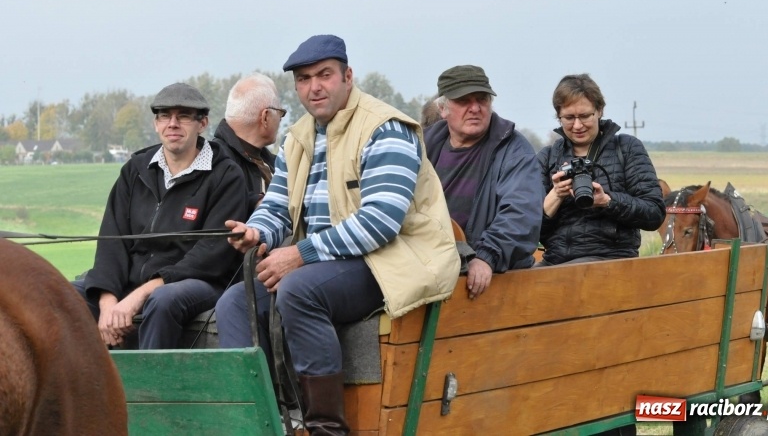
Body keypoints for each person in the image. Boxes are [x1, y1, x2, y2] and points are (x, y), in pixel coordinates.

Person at [216, 34, 460, 435]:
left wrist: (298, 255)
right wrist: (256, 231)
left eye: (324, 75)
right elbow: (278, 206)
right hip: (326, 260)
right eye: (305, 78)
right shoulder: (298, 137)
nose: (314, 86)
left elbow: (381, 222)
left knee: (299, 290)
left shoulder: (385, 129)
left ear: (348, 76)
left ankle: (325, 428)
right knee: (235, 303)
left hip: (391, 259)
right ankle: (258, 423)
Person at [72, 82, 248, 349]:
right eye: (164, 115)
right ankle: (82, 389)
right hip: (134, 280)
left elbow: (211, 255)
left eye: (184, 116)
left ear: (202, 124)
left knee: (163, 300)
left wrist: (141, 294)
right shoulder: (135, 171)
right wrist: (108, 304)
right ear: (156, 124)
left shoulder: (226, 175)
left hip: (198, 282)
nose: (173, 124)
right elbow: (112, 241)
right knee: (68, 295)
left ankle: (152, 389)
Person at [424, 65, 543, 300]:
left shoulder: (514, 151)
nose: (475, 108)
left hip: (490, 276)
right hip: (431, 264)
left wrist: (487, 256)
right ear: (442, 108)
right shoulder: (423, 146)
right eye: (463, 101)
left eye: (482, 99)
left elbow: (520, 213)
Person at [534, 74, 666, 266]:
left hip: (613, 261)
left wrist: (608, 201)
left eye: (585, 116)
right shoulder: (548, 158)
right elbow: (528, 228)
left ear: (600, 110)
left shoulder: (626, 148)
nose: (578, 125)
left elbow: (654, 213)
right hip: (556, 262)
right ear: (558, 116)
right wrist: (556, 195)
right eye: (569, 118)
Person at [213, 73, 284, 213]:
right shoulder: (215, 163)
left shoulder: (277, 163)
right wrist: (254, 202)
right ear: (265, 117)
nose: (281, 120)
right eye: (281, 113)